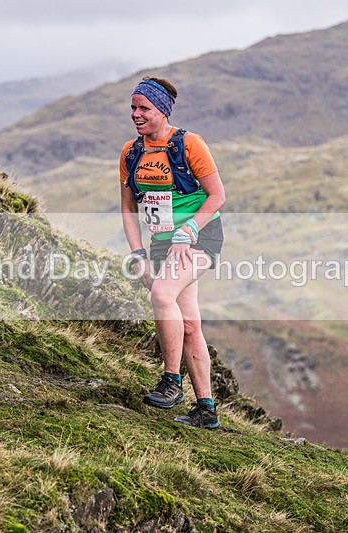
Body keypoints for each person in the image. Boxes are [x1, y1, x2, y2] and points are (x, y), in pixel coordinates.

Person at [119, 77, 226, 429]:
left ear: (162, 111)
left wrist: (189, 230)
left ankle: (170, 382)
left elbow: (217, 196)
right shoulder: (131, 153)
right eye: (133, 107)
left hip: (199, 236)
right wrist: (138, 252)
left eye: (144, 108)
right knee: (191, 323)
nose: (136, 114)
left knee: (162, 293)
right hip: (162, 242)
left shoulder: (189, 144)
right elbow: (128, 208)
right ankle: (206, 409)